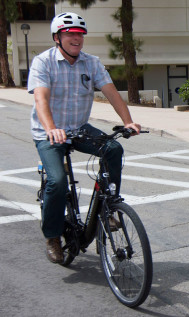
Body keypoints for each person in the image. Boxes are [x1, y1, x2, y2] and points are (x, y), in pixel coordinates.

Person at [28, 12, 142, 263]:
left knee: (113, 149)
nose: (76, 38)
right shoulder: (43, 62)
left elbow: (111, 92)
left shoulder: (91, 63)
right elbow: (41, 99)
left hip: (79, 127)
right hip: (49, 131)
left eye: (80, 34)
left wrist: (127, 122)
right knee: (57, 182)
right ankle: (53, 236)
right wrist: (51, 128)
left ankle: (108, 206)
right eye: (70, 34)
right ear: (57, 38)